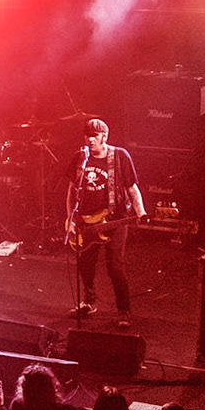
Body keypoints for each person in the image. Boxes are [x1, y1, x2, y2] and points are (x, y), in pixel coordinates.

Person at [64, 117, 146, 327]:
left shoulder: (119, 156)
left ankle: (123, 310)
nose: (90, 140)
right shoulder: (80, 158)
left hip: (115, 220)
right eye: (87, 136)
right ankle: (89, 303)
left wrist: (141, 211)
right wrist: (71, 219)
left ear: (104, 137)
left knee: (115, 266)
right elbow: (71, 191)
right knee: (86, 265)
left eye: (95, 136)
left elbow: (132, 188)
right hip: (86, 221)